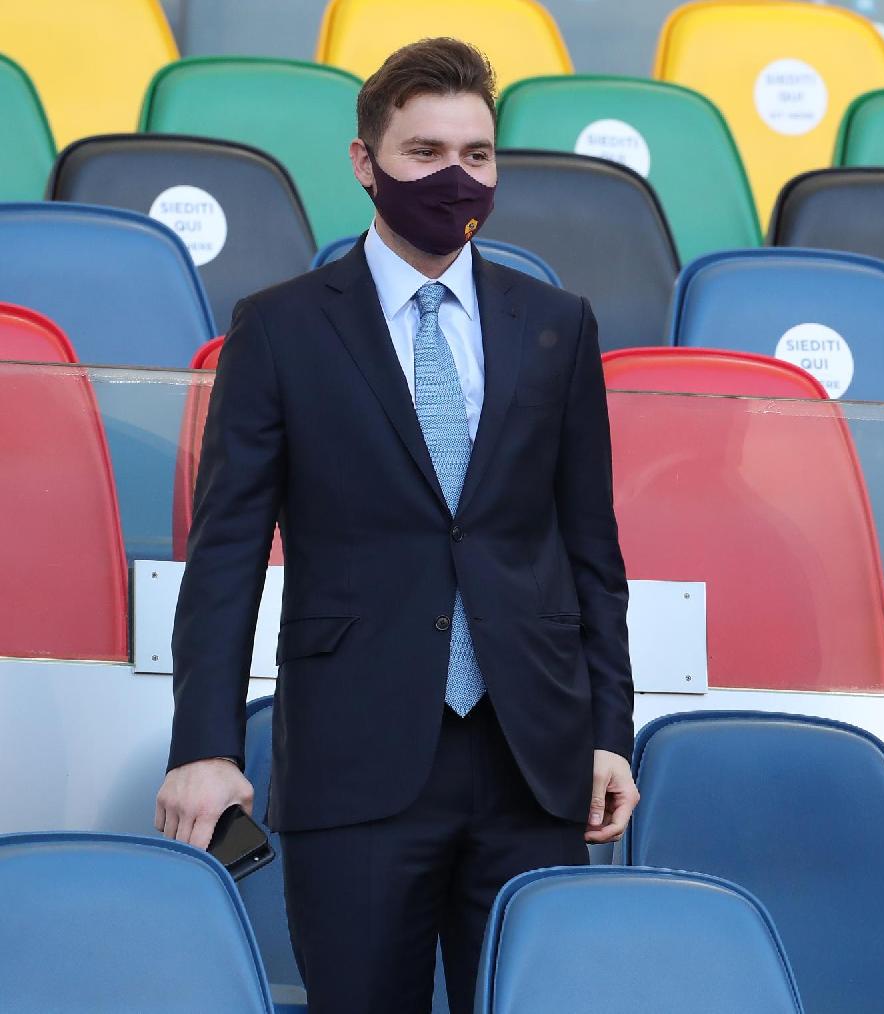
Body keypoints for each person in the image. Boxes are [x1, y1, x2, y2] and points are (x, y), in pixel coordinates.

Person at [154, 38, 637, 1014]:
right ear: (363, 162)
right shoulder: (280, 327)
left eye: (478, 155)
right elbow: (227, 554)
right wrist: (204, 744)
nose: (455, 177)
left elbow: (591, 551)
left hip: (533, 765)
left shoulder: (558, 325)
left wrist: (608, 731)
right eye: (425, 153)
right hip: (354, 760)